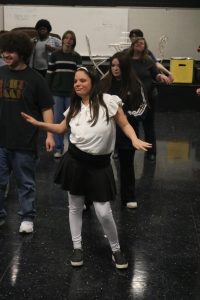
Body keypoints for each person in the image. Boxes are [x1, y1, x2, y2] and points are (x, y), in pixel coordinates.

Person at [21, 66, 152, 269]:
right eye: (75, 81)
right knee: (74, 206)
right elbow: (60, 128)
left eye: (82, 80)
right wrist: (39, 124)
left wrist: (135, 138)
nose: (77, 84)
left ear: (92, 81)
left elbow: (124, 124)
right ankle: (77, 247)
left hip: (100, 165)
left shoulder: (108, 101)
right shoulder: (73, 107)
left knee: (103, 211)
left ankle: (116, 249)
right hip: (75, 161)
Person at [0, 31, 55, 233]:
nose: (6, 55)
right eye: (4, 51)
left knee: (25, 183)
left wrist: (50, 134)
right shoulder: (0, 73)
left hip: (25, 140)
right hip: (1, 141)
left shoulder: (35, 79)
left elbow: (47, 108)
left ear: (22, 53)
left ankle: (27, 217)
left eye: (10, 52)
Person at [101, 52, 148, 209]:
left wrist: (128, 117)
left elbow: (143, 107)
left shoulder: (135, 84)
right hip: (106, 131)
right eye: (112, 66)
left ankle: (129, 196)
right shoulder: (105, 82)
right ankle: (93, 197)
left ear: (125, 67)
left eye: (118, 66)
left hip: (127, 131)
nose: (115, 69)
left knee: (127, 165)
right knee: (98, 164)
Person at [128, 37, 170, 161]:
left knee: (148, 125)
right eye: (137, 42)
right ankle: (123, 150)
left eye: (142, 43)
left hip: (148, 98)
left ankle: (151, 152)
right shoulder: (126, 60)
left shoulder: (148, 60)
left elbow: (155, 74)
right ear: (133, 45)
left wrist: (160, 77)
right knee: (128, 124)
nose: (139, 44)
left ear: (145, 46)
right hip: (131, 98)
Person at [46, 30, 82, 158]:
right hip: (56, 92)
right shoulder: (54, 55)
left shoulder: (76, 57)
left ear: (74, 41)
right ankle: (59, 148)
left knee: (72, 121)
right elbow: (49, 75)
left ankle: (72, 149)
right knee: (57, 121)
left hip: (71, 94)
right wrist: (47, 91)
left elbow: (80, 76)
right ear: (62, 40)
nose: (68, 40)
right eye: (66, 38)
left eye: (71, 39)